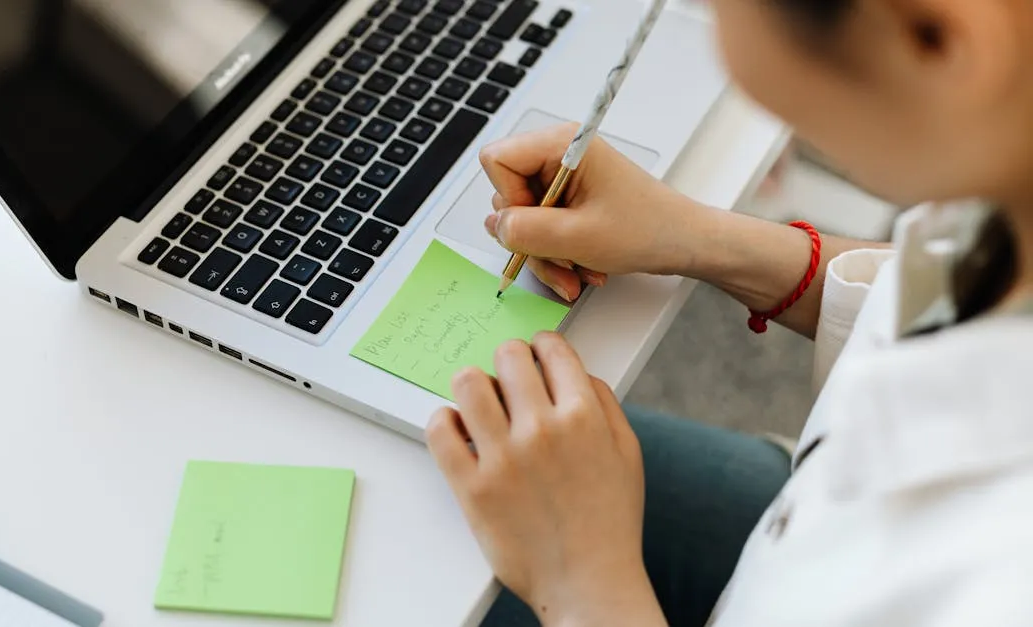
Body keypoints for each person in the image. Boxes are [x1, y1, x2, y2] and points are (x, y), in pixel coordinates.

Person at [424, 0, 1033, 625]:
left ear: (935, 37)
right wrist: (693, 236)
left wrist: (581, 582)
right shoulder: (1006, 189)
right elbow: (939, 280)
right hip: (807, 513)